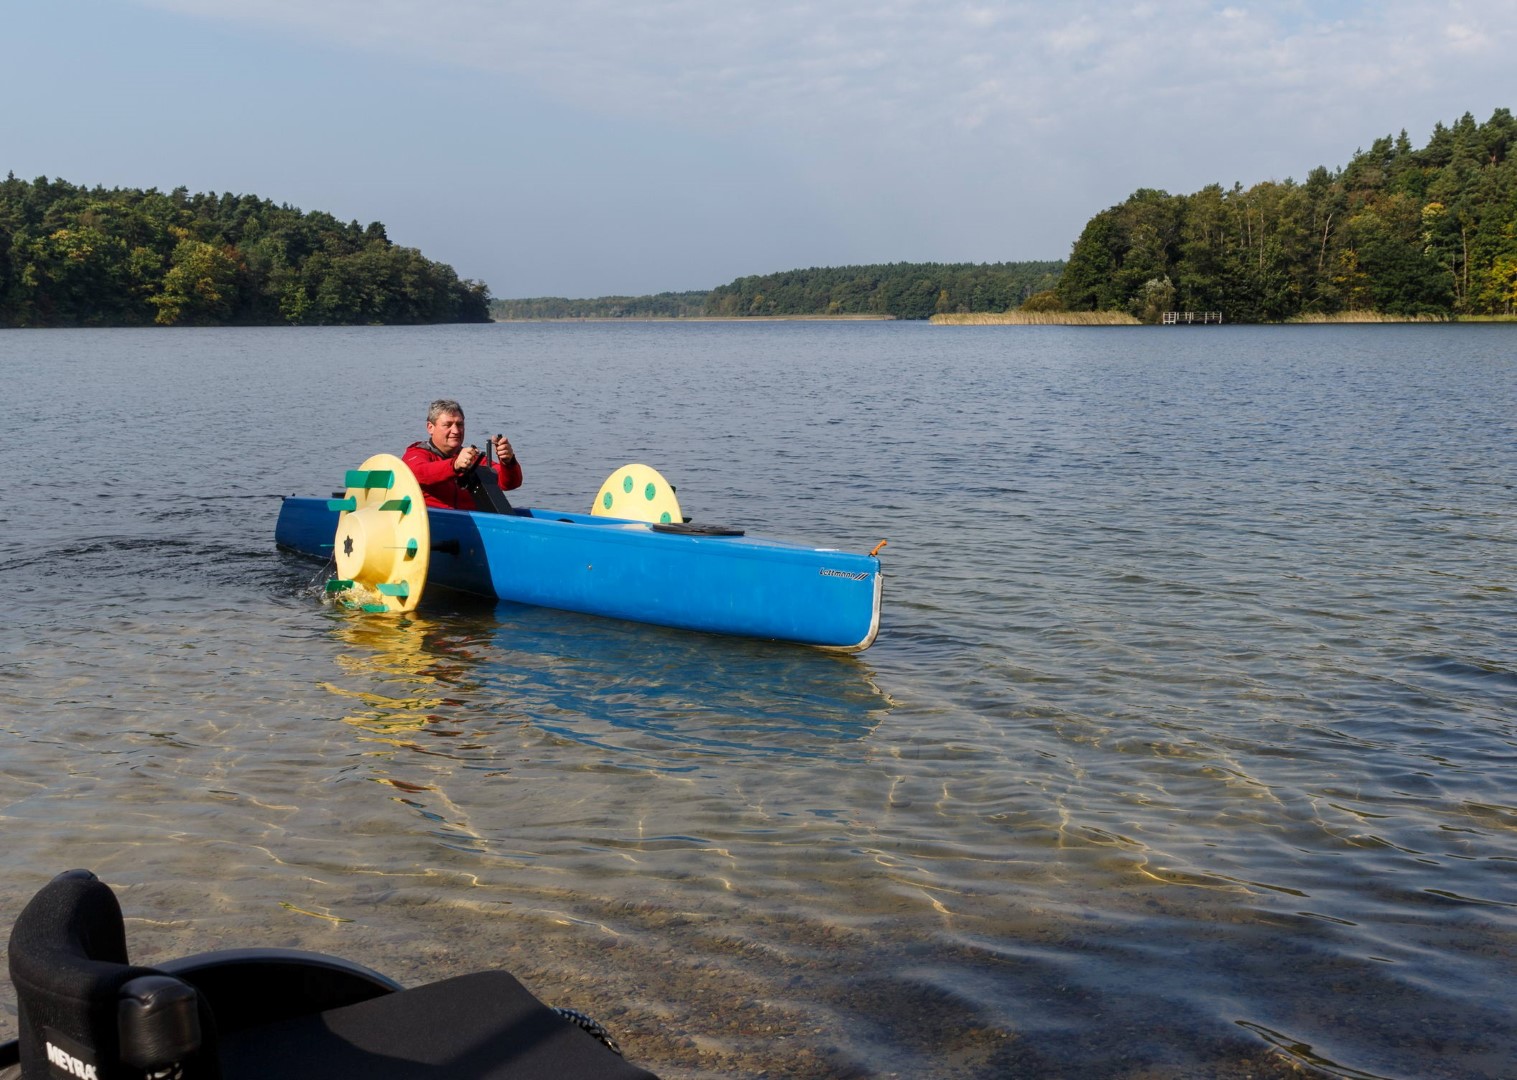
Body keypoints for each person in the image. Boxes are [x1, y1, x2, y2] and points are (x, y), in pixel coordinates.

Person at [402, 399, 523, 510]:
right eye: (447, 425)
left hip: (471, 525)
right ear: (430, 427)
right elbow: (418, 474)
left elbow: (509, 483)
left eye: (459, 425)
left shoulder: (471, 458)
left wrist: (508, 462)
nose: (455, 431)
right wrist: (454, 465)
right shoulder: (417, 453)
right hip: (434, 524)